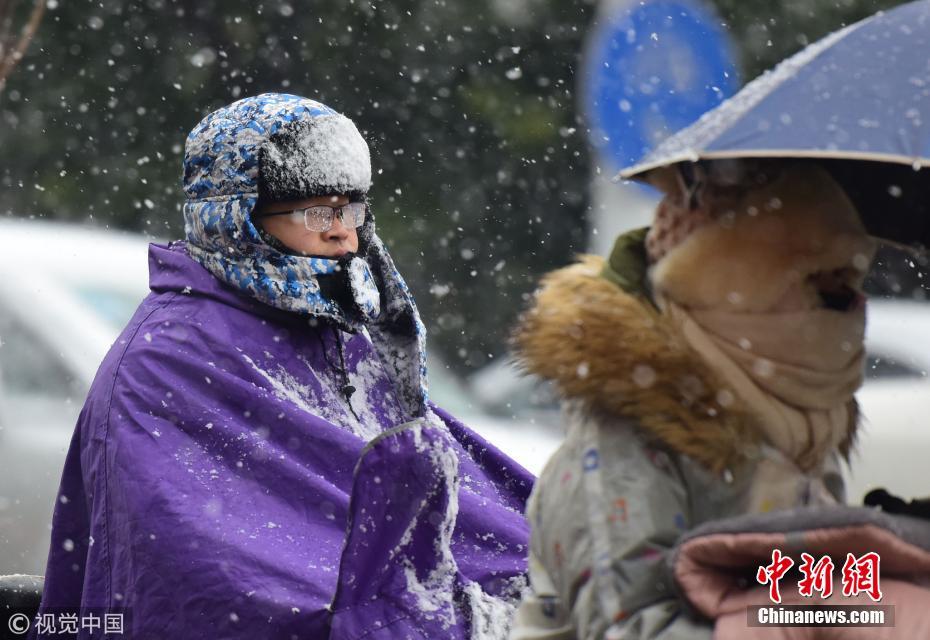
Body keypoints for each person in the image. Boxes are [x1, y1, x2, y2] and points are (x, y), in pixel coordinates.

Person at [32, 93, 531, 639]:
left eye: (351, 210)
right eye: (318, 212)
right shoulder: (166, 362)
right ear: (235, 218)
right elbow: (216, 586)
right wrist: (401, 617)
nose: (343, 232)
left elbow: (471, 516)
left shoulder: (334, 337)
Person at [507, 161, 882, 639]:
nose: (848, 305)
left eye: (847, 283)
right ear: (737, 286)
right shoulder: (622, 445)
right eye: (820, 283)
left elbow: (810, 598)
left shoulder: (801, 423)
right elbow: (629, 628)